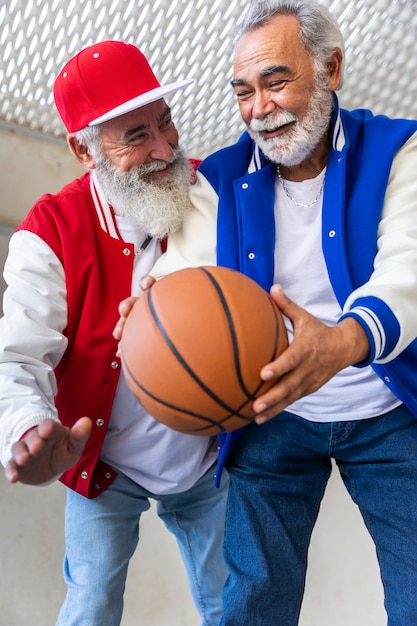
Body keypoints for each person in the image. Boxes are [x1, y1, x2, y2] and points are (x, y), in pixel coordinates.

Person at [114, 1, 417, 624]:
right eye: (244, 91)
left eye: (276, 81)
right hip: (276, 410)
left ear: (331, 69)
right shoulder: (219, 179)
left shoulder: (400, 151)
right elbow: (191, 271)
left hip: (389, 411)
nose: (259, 108)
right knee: (251, 604)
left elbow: (407, 271)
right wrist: (150, 310)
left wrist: (344, 340)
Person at [0, 40, 229, 626]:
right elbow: (17, 358)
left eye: (165, 122)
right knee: (91, 606)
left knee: (234, 605)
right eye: (134, 135)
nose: (163, 147)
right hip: (104, 458)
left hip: (205, 454)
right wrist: (29, 430)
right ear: (82, 148)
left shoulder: (211, 193)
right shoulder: (49, 232)